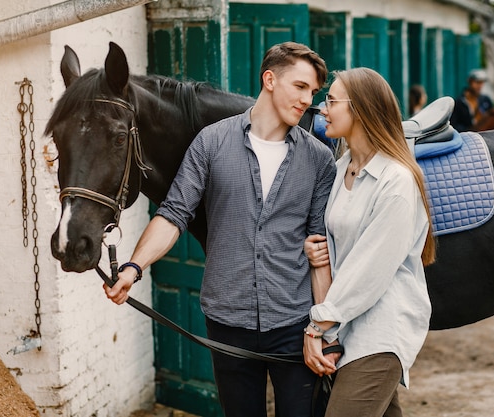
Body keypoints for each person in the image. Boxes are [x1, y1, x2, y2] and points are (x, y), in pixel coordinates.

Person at [104, 42, 337, 417]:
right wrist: (134, 267)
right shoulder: (211, 142)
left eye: (313, 92)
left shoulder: (319, 158)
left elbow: (318, 250)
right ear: (270, 79)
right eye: (300, 86)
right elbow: (174, 212)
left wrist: (323, 329)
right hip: (229, 321)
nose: (307, 100)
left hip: (295, 322)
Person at [301, 67, 436, 417]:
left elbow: (369, 269)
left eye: (331, 101)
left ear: (359, 109)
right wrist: (319, 253)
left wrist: (318, 326)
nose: (322, 109)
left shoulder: (396, 181)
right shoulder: (343, 165)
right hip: (348, 328)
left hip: (379, 333)